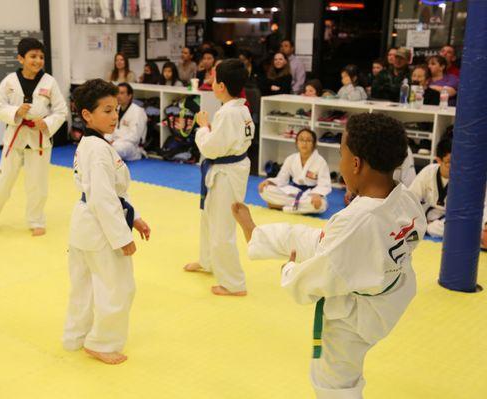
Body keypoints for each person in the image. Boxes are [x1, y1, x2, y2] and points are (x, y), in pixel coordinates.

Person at [233, 113, 427, 398]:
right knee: (301, 236)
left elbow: (317, 279)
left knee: (334, 382)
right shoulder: (404, 197)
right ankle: (258, 236)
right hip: (387, 284)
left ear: (357, 164)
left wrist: (289, 271)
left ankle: (261, 239)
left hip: (354, 316)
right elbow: (410, 235)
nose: (341, 163)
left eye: (342, 156)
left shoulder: (358, 223)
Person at [63, 79, 151, 365]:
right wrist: (122, 238)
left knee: (84, 286)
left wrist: (134, 218)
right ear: (87, 115)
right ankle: (102, 342)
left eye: (116, 109)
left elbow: (112, 194)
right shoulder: (98, 150)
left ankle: (76, 336)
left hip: (84, 225)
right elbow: (104, 198)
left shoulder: (91, 143)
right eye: (106, 110)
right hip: (101, 228)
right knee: (118, 286)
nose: (114, 116)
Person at [183, 59, 253, 296]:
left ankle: (234, 284)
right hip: (227, 169)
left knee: (222, 226)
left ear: (221, 86)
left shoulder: (229, 114)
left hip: (227, 173)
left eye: (213, 78)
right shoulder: (239, 109)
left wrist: (203, 127)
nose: (210, 82)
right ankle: (208, 261)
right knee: (208, 216)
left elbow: (210, 149)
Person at [0, 38, 67, 236]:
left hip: (39, 138)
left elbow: (61, 111)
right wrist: (16, 111)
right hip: (15, 136)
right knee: (4, 179)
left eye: (41, 56)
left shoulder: (50, 82)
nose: (38, 60)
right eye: (32, 56)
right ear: (21, 58)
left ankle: (36, 220)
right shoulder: (9, 82)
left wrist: (46, 123)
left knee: (37, 183)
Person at [258, 129, 331, 214]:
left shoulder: (320, 162)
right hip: (294, 192)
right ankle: (297, 207)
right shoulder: (291, 159)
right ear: (297, 142)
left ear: (314, 144)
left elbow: (324, 184)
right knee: (265, 190)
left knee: (320, 205)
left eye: (308, 140)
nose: (304, 143)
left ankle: (281, 207)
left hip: (311, 194)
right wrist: (269, 181)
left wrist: (317, 194)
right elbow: (282, 179)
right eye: (301, 140)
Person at [409, 138, 453, 238]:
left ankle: (424, 229)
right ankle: (423, 228)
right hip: (426, 216)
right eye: (449, 162)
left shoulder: (464, 179)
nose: (454, 166)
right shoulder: (428, 172)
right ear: (439, 160)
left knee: (456, 228)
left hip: (447, 220)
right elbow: (411, 198)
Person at [107, 83, 147, 161]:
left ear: (129, 96)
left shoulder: (137, 111)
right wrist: (106, 140)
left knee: (117, 148)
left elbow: (135, 136)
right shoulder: (116, 109)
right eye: (117, 93)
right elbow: (110, 129)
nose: (118, 96)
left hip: (131, 146)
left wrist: (114, 142)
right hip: (114, 142)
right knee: (98, 142)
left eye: (122, 93)